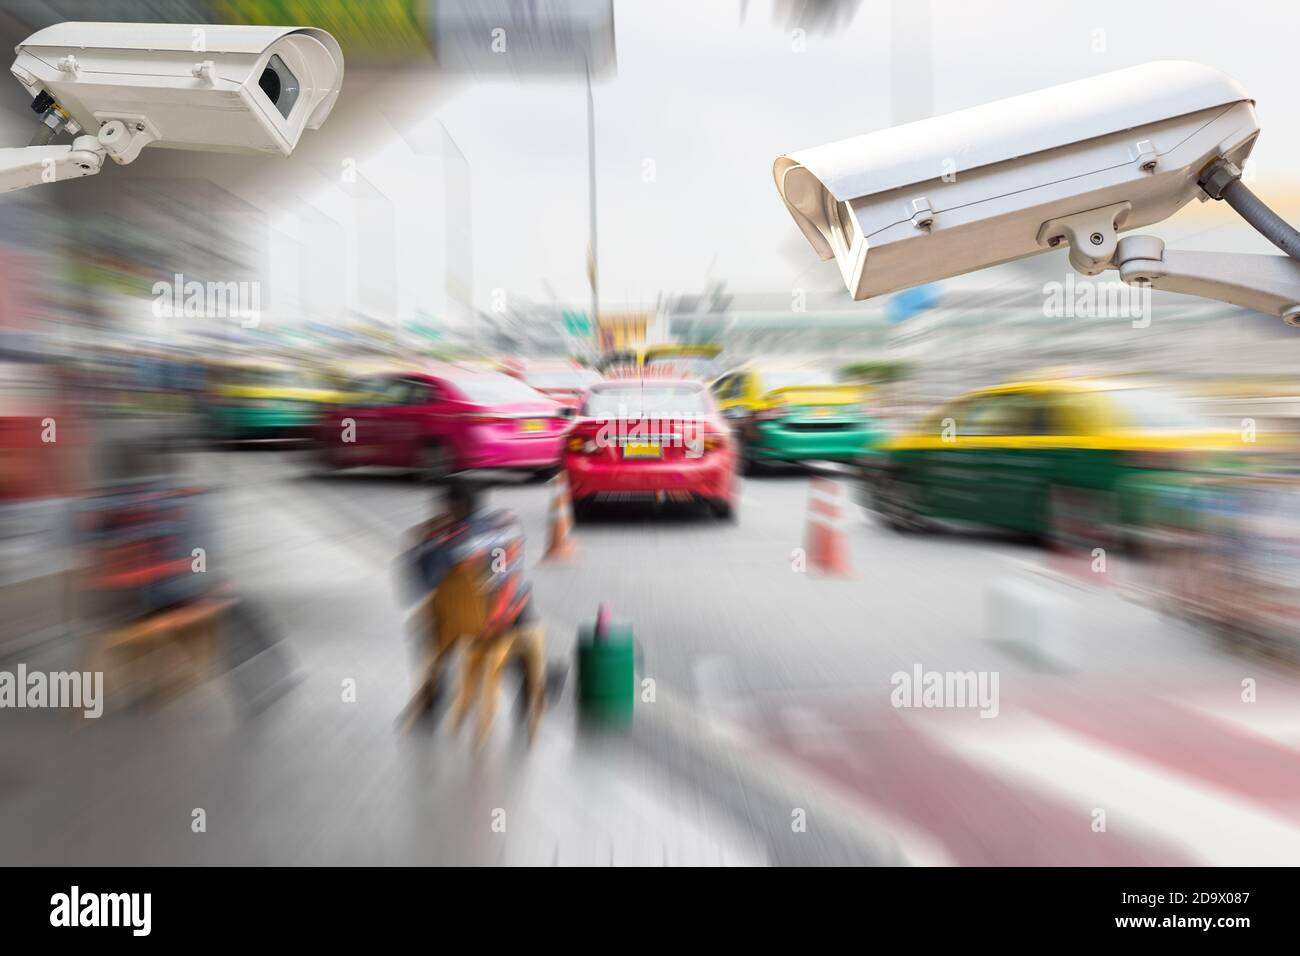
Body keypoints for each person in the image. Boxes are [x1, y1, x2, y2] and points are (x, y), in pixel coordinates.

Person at [401, 479, 545, 745]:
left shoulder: (449, 545)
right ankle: (530, 688)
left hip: (468, 625)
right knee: (522, 601)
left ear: (454, 506)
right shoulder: (509, 523)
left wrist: (422, 538)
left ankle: (432, 700)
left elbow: (421, 581)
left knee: (433, 620)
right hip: (508, 617)